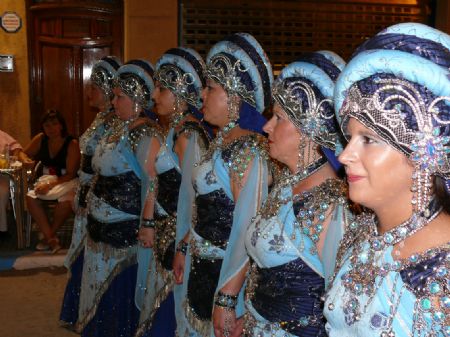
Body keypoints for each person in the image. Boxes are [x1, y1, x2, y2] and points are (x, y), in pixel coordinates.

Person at [323, 22, 450, 337]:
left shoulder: (443, 271)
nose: (344, 156)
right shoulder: (363, 233)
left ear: (424, 153)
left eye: (368, 139)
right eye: (349, 137)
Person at [241, 51, 351, 337]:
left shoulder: (331, 205)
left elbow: (336, 307)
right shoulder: (286, 184)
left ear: (308, 129)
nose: (266, 127)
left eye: (278, 118)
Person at [174, 33, 273, 337]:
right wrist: (184, 244)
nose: (201, 95)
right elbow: (204, 208)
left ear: (234, 96)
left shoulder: (249, 150)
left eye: (210, 88)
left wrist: (228, 297)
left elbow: (247, 228)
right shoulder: (220, 143)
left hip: (227, 278)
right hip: (201, 266)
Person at [76, 59, 158, 337]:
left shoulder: (144, 134)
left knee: (115, 302)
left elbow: (152, 184)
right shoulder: (116, 127)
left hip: (123, 234)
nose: (113, 102)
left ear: (136, 99)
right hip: (99, 229)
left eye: (119, 97)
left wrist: (148, 224)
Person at [134, 47, 210, 337]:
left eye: (161, 89)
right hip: (166, 231)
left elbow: (197, 195)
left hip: (177, 236)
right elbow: (157, 180)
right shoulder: (174, 129)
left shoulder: (189, 135)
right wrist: (149, 220)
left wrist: (183, 243)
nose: (154, 96)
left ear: (180, 94)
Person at [60, 55, 122, 329]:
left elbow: (105, 166)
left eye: (94, 87)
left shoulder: (114, 124)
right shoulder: (100, 119)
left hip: (98, 198)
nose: (88, 92)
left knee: (93, 259)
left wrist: (88, 194)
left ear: (108, 91)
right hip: (86, 194)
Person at [25, 110, 80, 253]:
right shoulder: (40, 139)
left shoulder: (72, 143)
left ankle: (47, 236)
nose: (51, 129)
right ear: (43, 127)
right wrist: (26, 160)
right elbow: (24, 153)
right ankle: (51, 239)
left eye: (55, 124)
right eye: (47, 125)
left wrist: (49, 185)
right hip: (44, 179)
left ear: (61, 126)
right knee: (30, 198)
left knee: (66, 202)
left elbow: (71, 174)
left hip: (67, 181)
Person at [0, 130, 33, 238]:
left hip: (2, 175)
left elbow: (16, 148)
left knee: (1, 192)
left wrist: (16, 155)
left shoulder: (1, 134)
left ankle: (2, 230)